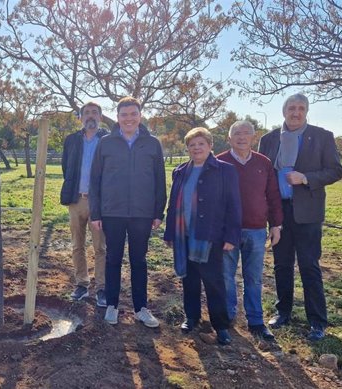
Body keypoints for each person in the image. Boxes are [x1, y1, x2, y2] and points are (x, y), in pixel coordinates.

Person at [259, 93, 342, 341]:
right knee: (282, 265)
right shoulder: (269, 139)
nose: (296, 113)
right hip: (278, 213)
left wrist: (305, 178)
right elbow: (265, 175)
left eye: (301, 108)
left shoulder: (322, 136)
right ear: (284, 111)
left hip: (308, 213)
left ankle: (317, 321)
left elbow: (335, 170)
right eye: (292, 108)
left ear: (307, 112)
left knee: (309, 266)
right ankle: (282, 313)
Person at [89, 96, 166, 328]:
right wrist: (96, 213)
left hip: (142, 213)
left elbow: (160, 180)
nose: (129, 119)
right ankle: (112, 305)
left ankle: (141, 308)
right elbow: (95, 179)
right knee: (113, 258)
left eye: (133, 114)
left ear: (140, 116)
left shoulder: (152, 143)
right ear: (118, 117)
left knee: (138, 261)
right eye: (124, 115)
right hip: (112, 212)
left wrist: (158, 212)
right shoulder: (106, 143)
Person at [163, 127, 241, 345]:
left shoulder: (225, 170)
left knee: (214, 282)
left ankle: (221, 326)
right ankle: (192, 317)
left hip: (210, 236)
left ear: (210, 146)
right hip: (184, 236)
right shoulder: (180, 171)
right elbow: (173, 205)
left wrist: (231, 236)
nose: (197, 148)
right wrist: (170, 232)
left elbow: (234, 205)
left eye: (201, 144)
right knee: (189, 279)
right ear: (187, 148)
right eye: (192, 145)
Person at [217, 120, 283, 341]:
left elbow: (273, 196)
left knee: (253, 278)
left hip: (256, 229)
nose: (241, 137)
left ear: (253, 137)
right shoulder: (219, 162)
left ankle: (256, 320)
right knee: (226, 276)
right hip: (227, 232)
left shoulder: (263, 163)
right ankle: (227, 315)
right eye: (237, 133)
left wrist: (276, 225)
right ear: (229, 138)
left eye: (246, 133)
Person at [60, 102, 108, 306]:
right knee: (77, 245)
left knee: (101, 247)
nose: (90, 116)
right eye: (86, 113)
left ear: (100, 117)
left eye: (94, 113)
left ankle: (102, 288)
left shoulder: (108, 140)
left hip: (100, 202)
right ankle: (81, 284)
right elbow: (65, 166)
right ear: (80, 117)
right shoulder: (71, 140)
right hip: (76, 200)